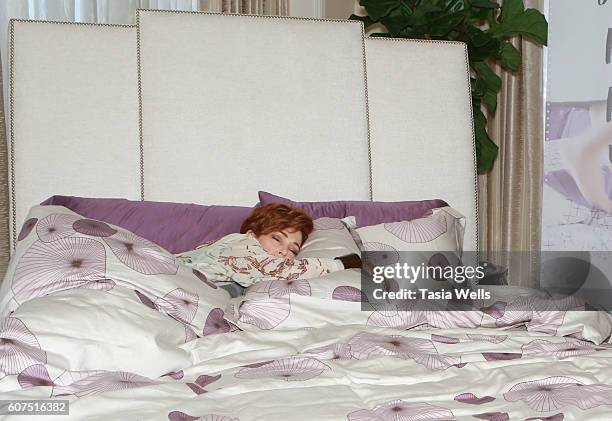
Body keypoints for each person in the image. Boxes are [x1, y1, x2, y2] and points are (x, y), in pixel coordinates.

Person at [176, 204, 361, 295]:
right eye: (276, 238)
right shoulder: (240, 243)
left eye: (293, 250)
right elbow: (281, 270)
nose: (283, 251)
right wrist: (342, 263)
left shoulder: (247, 276)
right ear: (252, 234)